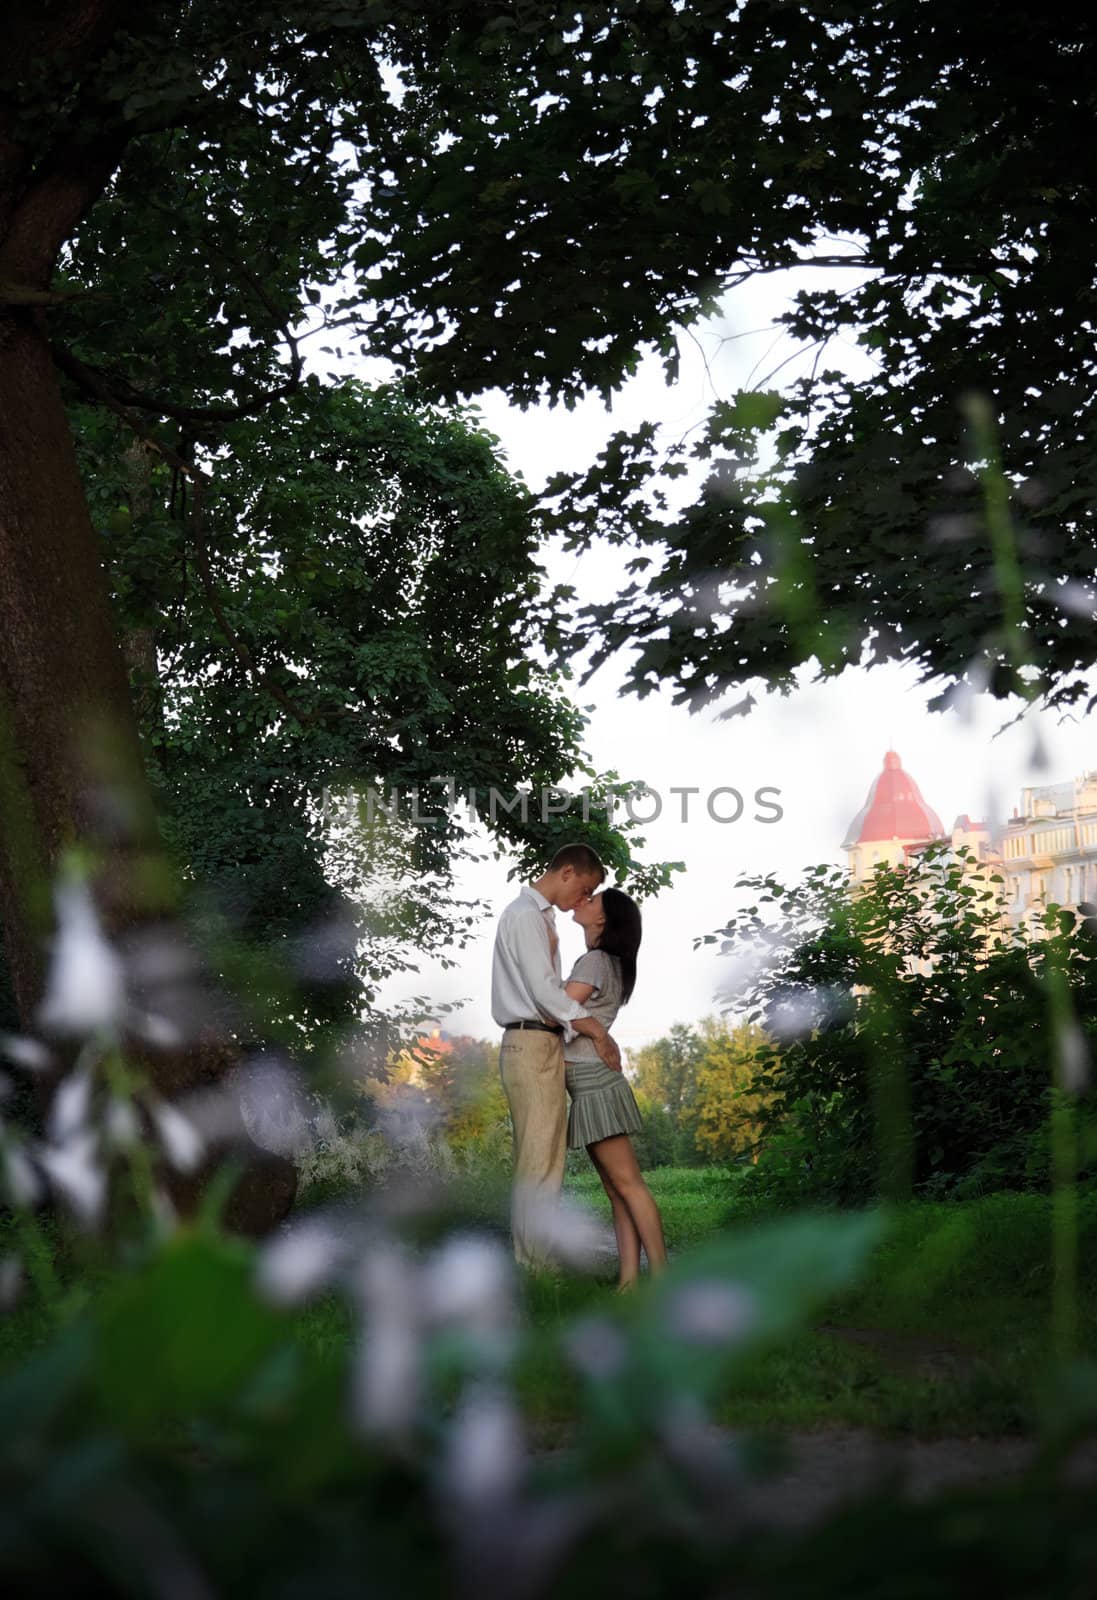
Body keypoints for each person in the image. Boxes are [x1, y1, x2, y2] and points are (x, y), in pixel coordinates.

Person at [491, 843, 622, 1269]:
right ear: (566, 872)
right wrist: (595, 1028)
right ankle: (535, 1269)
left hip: (540, 1043)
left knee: (544, 1160)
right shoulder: (526, 916)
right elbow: (546, 994)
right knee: (539, 1163)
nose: (582, 900)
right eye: (584, 888)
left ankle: (535, 1263)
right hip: (530, 1043)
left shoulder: (540, 918)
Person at [564, 887, 667, 1289]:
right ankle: (629, 1282)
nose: (582, 902)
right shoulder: (607, 962)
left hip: (593, 1080)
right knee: (616, 1188)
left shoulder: (594, 961)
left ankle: (661, 1279)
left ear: (603, 920)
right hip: (590, 1080)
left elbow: (559, 1010)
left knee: (628, 1184)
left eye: (592, 901)